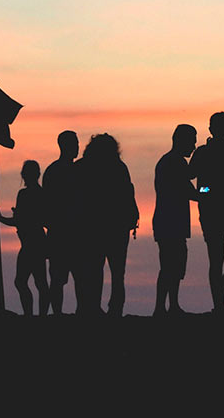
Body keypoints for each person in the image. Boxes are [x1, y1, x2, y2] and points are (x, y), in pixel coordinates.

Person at [76, 133, 140, 316]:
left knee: (95, 271)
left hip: (93, 228)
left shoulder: (82, 168)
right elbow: (128, 194)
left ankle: (94, 307)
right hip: (115, 227)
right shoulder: (118, 168)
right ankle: (114, 308)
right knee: (117, 273)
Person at [189, 112, 224, 311]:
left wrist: (207, 190)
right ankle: (219, 303)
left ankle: (220, 296)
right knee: (218, 258)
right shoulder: (204, 152)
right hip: (215, 212)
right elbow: (191, 177)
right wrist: (207, 191)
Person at [0, 161, 49, 316]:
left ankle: (32, 315)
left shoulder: (26, 195)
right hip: (33, 241)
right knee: (33, 282)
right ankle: (33, 314)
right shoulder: (39, 193)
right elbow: (20, 219)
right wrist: (3, 218)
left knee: (30, 282)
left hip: (33, 242)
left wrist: (2, 218)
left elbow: (20, 220)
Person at [153, 125, 199, 315]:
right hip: (171, 222)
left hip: (168, 222)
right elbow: (191, 190)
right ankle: (165, 307)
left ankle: (169, 306)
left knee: (172, 265)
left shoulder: (169, 161)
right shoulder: (175, 162)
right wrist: (210, 190)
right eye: (192, 141)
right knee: (171, 265)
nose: (194, 145)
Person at [40, 131, 79, 315]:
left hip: (63, 231)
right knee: (60, 278)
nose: (78, 147)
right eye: (75, 143)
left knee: (67, 277)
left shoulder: (52, 170)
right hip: (64, 232)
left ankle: (60, 313)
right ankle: (58, 313)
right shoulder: (68, 171)